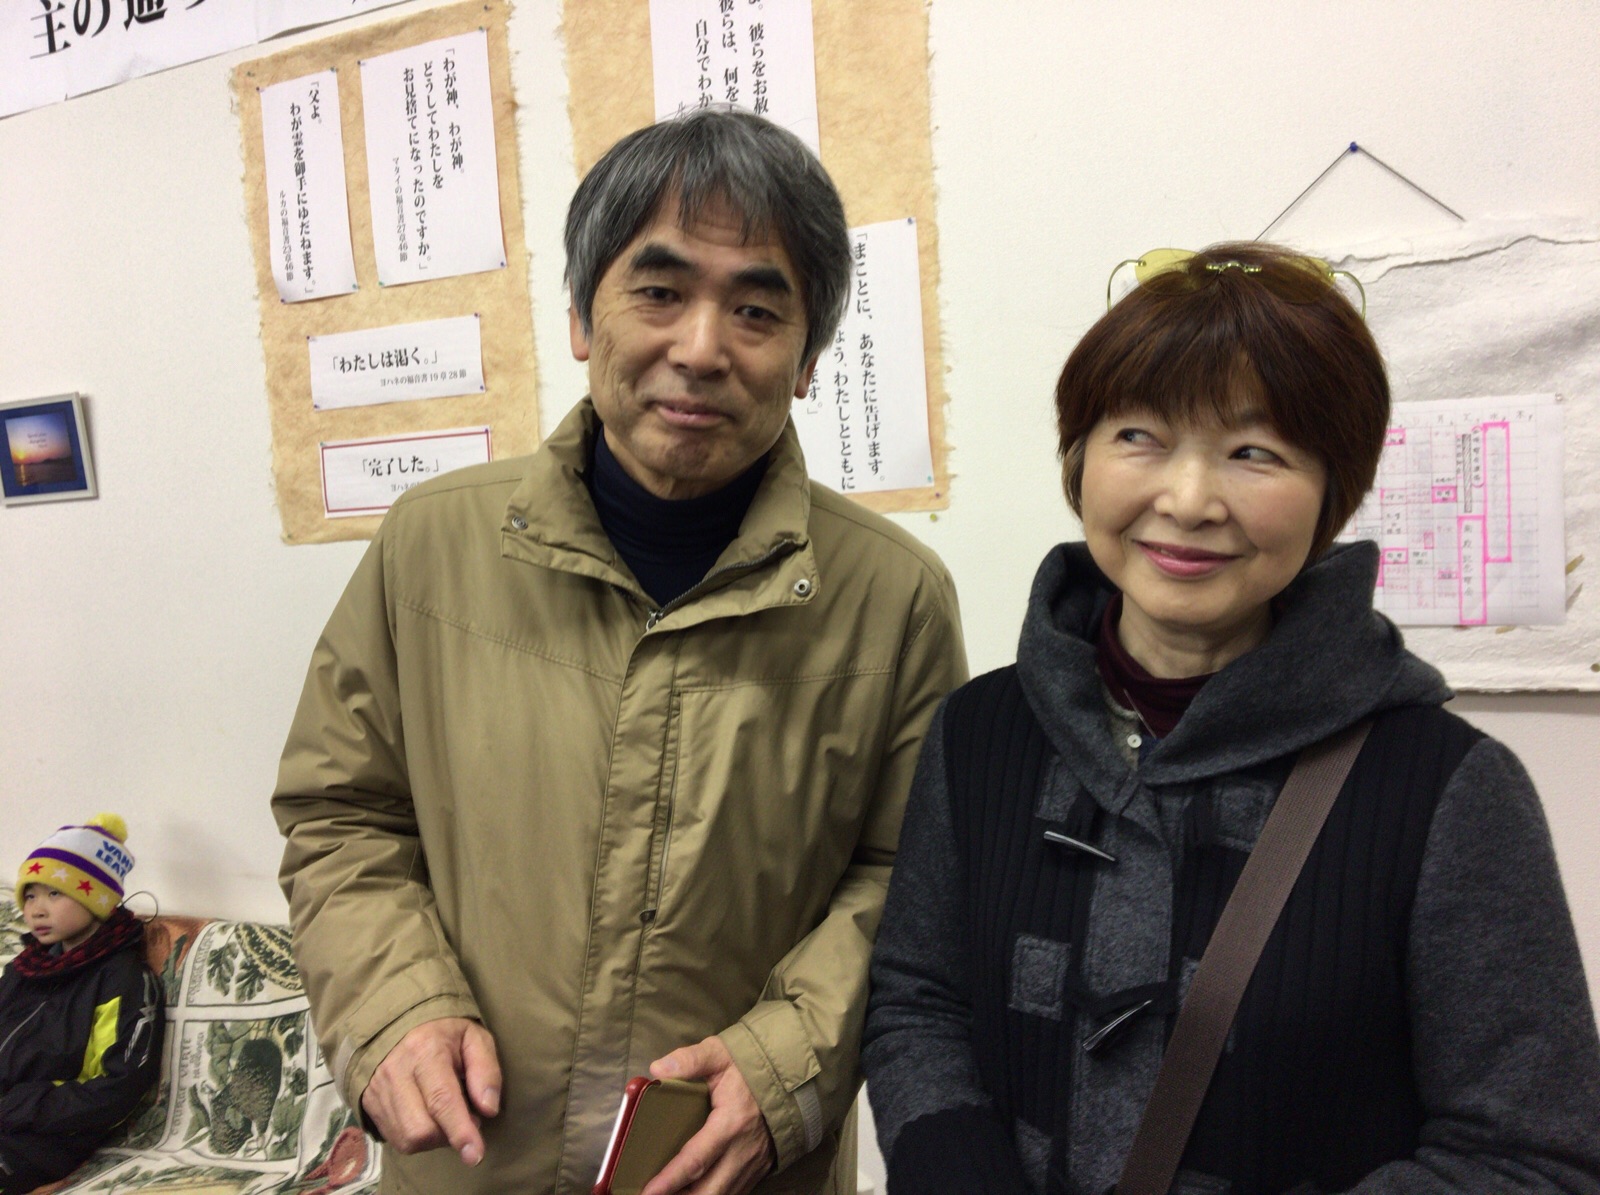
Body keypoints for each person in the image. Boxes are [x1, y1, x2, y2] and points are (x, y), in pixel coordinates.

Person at [272, 107, 966, 1195]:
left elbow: (911, 881)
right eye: (659, 291)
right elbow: (342, 811)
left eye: (756, 310)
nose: (700, 348)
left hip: (734, 1170)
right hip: (469, 1162)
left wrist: (785, 1062)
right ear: (581, 318)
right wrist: (394, 1002)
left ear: (808, 359)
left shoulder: (893, 597)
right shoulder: (432, 545)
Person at [862, 243, 1600, 1194]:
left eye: (1255, 452)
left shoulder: (1446, 785)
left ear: (1334, 491)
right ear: (1079, 459)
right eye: (1139, 435)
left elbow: (1530, 1153)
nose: (1188, 500)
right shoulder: (980, 731)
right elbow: (919, 1001)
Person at [1, 814, 164, 1194]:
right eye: (30, 895)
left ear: (96, 899)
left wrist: (19, 1106)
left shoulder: (122, 979)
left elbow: (117, 1086)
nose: (36, 909)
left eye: (54, 894)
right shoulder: (23, 969)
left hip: (46, 1138)